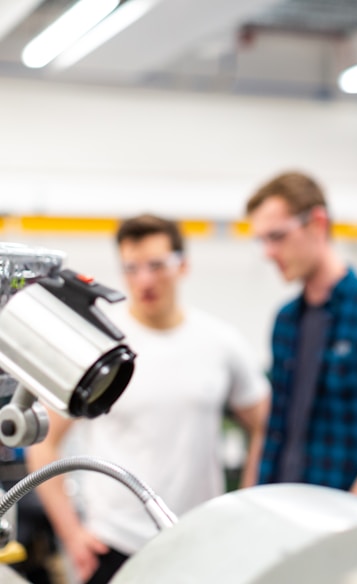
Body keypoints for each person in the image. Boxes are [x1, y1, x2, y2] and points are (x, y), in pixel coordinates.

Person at [26, 214, 270, 584]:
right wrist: (72, 534)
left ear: (182, 265)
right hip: (113, 546)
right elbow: (42, 442)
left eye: (157, 265)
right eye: (132, 267)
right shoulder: (98, 343)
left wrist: (242, 510)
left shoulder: (220, 343)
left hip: (198, 541)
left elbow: (265, 426)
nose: (145, 279)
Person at [245, 171, 357, 504]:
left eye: (277, 236)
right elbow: (276, 434)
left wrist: (342, 522)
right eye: (263, 240)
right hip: (290, 518)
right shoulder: (286, 321)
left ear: (316, 223)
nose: (268, 252)